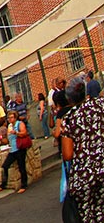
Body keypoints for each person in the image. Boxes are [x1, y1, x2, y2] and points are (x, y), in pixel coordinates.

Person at [61, 75, 104, 223]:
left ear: (69, 99)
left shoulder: (68, 119)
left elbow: (67, 155)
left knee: (88, 216)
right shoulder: (100, 105)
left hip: (84, 177)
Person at [0, 110, 30, 194]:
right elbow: (8, 139)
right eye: (8, 118)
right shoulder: (9, 126)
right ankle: (3, 184)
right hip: (12, 150)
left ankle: (24, 185)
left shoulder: (19, 124)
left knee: (22, 167)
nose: (10, 119)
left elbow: (24, 133)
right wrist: (1, 140)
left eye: (11, 117)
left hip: (20, 148)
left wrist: (16, 133)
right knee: (5, 166)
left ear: (15, 117)